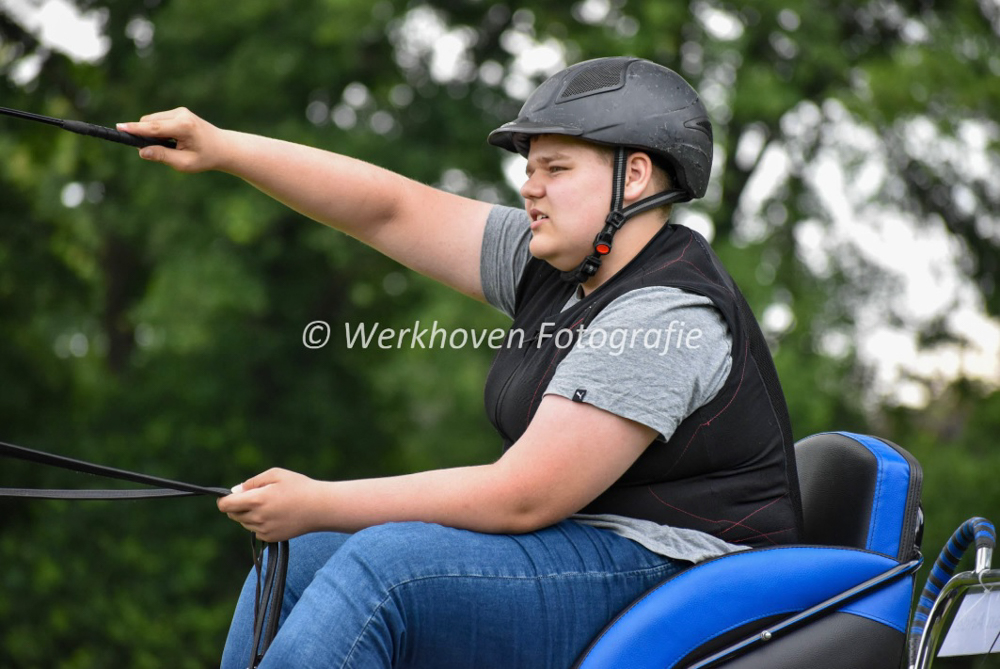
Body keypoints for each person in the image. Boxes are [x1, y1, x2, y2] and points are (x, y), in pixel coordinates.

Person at [121, 56, 801, 669]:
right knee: (300, 556)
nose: (530, 187)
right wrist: (225, 147)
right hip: (586, 549)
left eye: (556, 168)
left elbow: (522, 495)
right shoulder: (554, 266)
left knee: (389, 571)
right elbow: (389, 211)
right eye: (529, 169)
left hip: (687, 575)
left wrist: (320, 501)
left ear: (637, 175)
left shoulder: (667, 312)